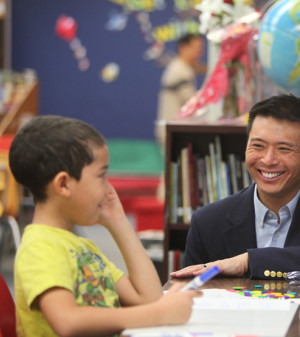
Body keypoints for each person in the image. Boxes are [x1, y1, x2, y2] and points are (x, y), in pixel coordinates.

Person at [9, 116, 200, 336]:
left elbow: (149, 298)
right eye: (101, 176)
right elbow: (67, 321)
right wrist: (158, 314)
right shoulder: (40, 246)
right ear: (63, 184)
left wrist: (118, 221)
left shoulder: (84, 248)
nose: (107, 188)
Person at [170, 94, 300, 280]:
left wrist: (249, 261)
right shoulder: (207, 223)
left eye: (284, 148)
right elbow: (190, 299)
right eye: (258, 146)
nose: (268, 160)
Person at [155, 33, 207, 148]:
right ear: (183, 47)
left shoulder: (181, 68)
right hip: (173, 133)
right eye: (196, 48)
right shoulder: (180, 70)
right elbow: (191, 101)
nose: (199, 53)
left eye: (201, 48)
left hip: (174, 131)